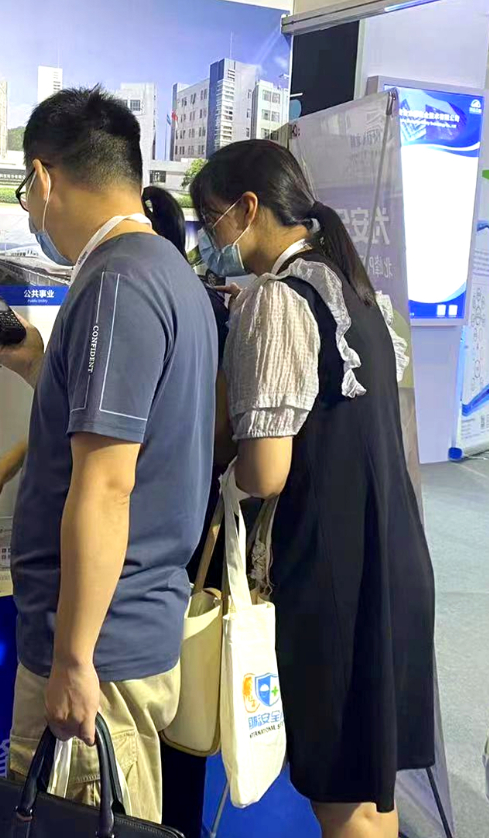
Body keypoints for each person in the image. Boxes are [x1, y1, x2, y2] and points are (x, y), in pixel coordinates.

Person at [0, 86, 217, 822]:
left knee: (72, 817)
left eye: (26, 192)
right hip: (126, 627)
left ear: (43, 178)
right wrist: (33, 364)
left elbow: (108, 487)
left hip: (99, 649)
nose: (30, 210)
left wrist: (75, 657)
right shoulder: (167, 271)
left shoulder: (116, 282)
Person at [190, 139, 436, 838]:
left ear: (248, 209)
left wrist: (220, 478)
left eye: (210, 220)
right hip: (387, 559)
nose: (208, 239)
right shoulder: (350, 287)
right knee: (370, 792)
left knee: (341, 799)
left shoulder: (275, 301)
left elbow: (267, 470)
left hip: (332, 577)